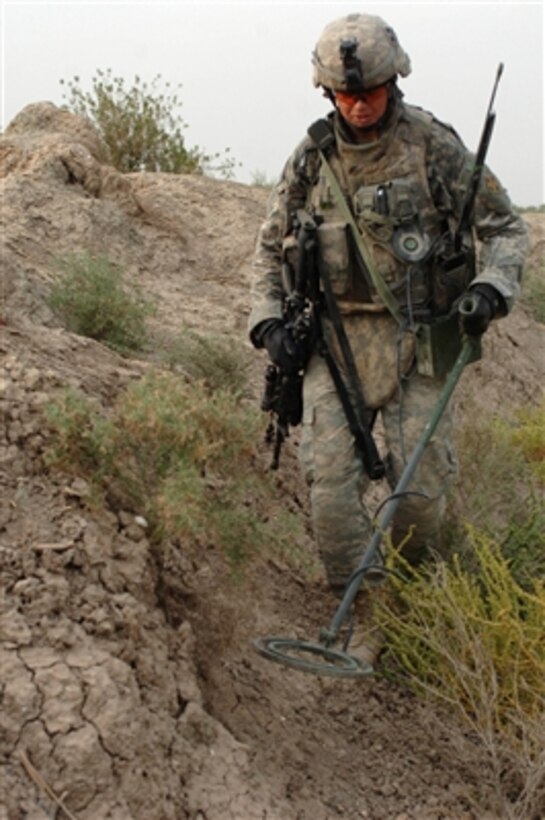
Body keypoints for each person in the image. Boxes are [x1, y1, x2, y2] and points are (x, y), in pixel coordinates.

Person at [248, 13, 528, 666]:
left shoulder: (432, 145)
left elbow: (507, 229)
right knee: (329, 491)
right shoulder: (311, 157)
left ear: (392, 82)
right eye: (345, 94)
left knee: (420, 496)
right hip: (334, 344)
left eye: (369, 89)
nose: (358, 103)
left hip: (418, 342)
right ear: (326, 94)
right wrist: (267, 324)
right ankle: (359, 605)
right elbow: (265, 249)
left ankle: (409, 598)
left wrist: (491, 287)